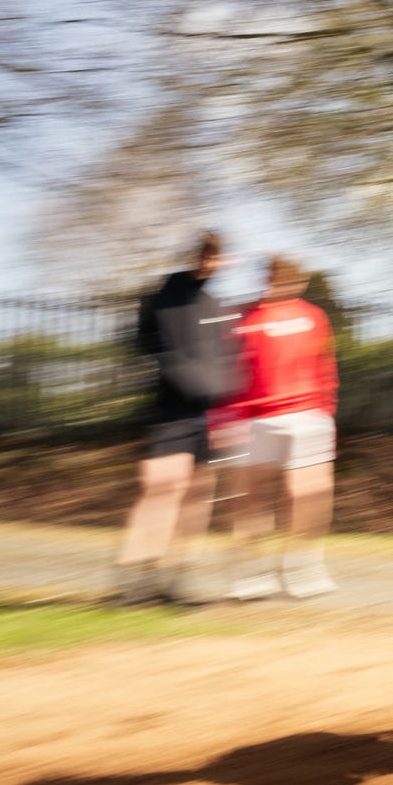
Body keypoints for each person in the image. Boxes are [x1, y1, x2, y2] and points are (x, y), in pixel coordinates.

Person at [114, 231, 240, 605]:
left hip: (208, 414)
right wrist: (184, 374)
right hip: (170, 411)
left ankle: (176, 581)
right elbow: (142, 343)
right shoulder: (162, 297)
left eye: (217, 257)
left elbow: (226, 360)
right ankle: (134, 582)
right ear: (193, 256)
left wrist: (224, 413)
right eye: (205, 256)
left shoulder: (215, 306)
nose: (211, 263)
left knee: (197, 497)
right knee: (160, 490)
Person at [217, 255, 341, 601]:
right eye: (275, 277)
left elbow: (325, 364)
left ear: (300, 281)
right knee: (251, 500)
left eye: (290, 278)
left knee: (309, 494)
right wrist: (224, 417)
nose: (282, 283)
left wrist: (325, 409)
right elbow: (227, 370)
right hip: (253, 418)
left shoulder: (314, 316)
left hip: (308, 415)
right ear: (267, 279)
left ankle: (303, 567)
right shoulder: (243, 317)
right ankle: (249, 572)